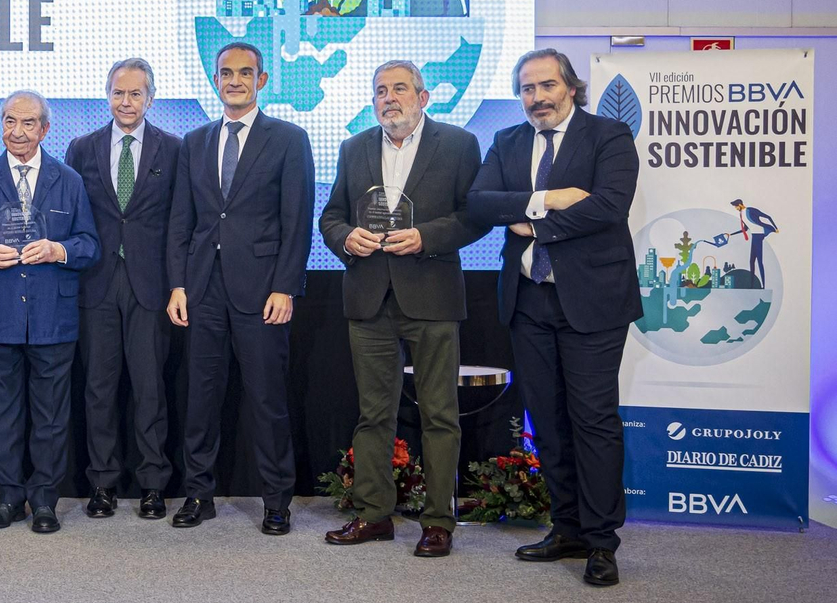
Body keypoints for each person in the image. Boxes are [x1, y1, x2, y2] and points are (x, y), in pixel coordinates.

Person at [468, 48, 641, 587]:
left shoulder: (609, 135)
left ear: (570, 87)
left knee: (593, 421)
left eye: (546, 85)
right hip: (528, 302)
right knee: (547, 421)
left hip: (593, 301)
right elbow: (479, 205)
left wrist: (532, 220)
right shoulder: (508, 141)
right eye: (526, 88)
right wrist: (551, 198)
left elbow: (609, 206)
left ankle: (602, 540)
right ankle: (566, 527)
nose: (536, 97)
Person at [318, 60, 486, 556]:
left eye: (399, 89)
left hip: (431, 296)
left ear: (423, 96)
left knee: (439, 414)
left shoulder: (458, 145)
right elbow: (330, 216)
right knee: (373, 416)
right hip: (368, 299)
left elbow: (474, 216)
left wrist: (426, 238)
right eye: (380, 91)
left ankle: (438, 522)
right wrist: (346, 237)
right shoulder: (353, 148)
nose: (389, 98)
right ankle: (374, 515)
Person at [167, 41, 313, 536]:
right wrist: (179, 285)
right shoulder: (195, 141)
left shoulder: (289, 139)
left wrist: (286, 286)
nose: (234, 81)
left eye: (244, 73)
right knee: (200, 398)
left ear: (262, 80)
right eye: (225, 73)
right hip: (203, 289)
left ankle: (277, 501)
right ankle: (197, 493)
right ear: (214, 79)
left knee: (267, 399)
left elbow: (298, 221)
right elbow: (181, 222)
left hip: (262, 292)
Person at [0, 91, 99, 534]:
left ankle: (44, 500)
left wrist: (58, 249)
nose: (18, 131)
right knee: (1, 413)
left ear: (45, 129)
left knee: (51, 415)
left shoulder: (68, 179)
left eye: (28, 123)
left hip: (53, 317)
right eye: (10, 122)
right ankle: (8, 497)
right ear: (1, 125)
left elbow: (90, 246)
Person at [64, 58, 181, 519]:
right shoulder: (81, 147)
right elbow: (70, 217)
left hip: (151, 287)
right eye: (118, 93)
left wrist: (178, 284)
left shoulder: (173, 149)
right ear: (107, 95)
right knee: (98, 388)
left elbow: (178, 224)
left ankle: (153, 485)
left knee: (150, 388)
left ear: (150, 98)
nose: (126, 102)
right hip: (95, 285)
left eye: (135, 94)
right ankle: (103, 484)